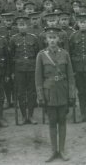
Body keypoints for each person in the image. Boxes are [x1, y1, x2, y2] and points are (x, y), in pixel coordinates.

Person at [34, 30, 74, 162]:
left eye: (54, 37)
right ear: (46, 40)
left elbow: (70, 76)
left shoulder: (65, 54)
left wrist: (71, 94)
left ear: (58, 39)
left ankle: (61, 150)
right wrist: (40, 96)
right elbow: (38, 78)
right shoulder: (41, 55)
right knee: (52, 122)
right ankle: (53, 150)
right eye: (49, 38)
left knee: (62, 120)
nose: (52, 40)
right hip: (49, 93)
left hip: (62, 91)